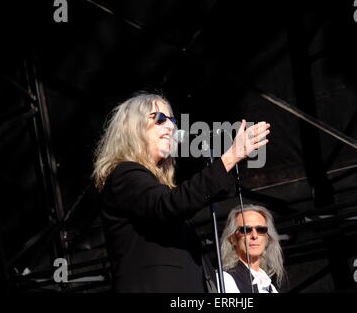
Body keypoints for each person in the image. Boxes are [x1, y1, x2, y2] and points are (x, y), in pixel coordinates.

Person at [92, 92, 270, 292]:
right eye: (159, 119)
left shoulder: (155, 187)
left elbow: (186, 199)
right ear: (131, 128)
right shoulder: (125, 174)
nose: (170, 126)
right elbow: (171, 204)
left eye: (172, 120)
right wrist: (230, 157)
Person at [219, 204, 286, 293]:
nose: (254, 236)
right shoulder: (225, 279)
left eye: (261, 230)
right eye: (246, 230)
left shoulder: (270, 287)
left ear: (267, 238)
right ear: (232, 239)